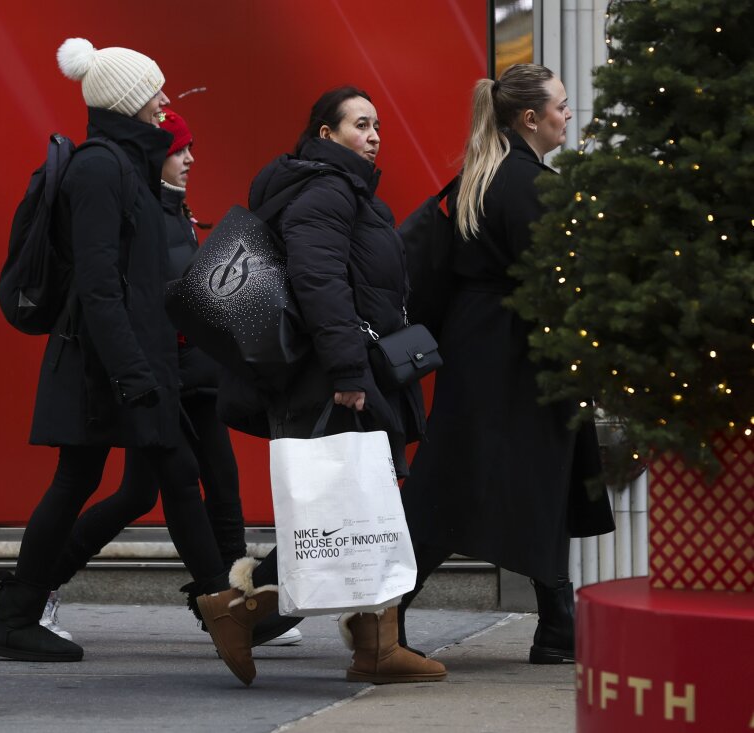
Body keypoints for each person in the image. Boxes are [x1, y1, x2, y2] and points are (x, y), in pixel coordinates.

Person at [0, 39, 230, 663]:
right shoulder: (100, 169)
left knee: (167, 477)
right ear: (127, 102)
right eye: (155, 93)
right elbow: (98, 286)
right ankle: (16, 618)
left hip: (132, 363)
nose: (165, 103)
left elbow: (139, 282)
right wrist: (133, 372)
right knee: (80, 479)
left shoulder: (130, 168)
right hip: (106, 366)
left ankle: (228, 614)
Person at [196, 87, 447, 686]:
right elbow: (319, 281)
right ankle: (239, 611)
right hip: (333, 375)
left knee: (368, 509)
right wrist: (347, 373)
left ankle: (375, 644)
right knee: (357, 510)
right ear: (327, 135)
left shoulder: (340, 190)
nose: (375, 134)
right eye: (361, 124)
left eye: (378, 124)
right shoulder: (327, 191)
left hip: (339, 368)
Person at [37, 109, 301, 647]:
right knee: (148, 489)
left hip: (197, 379)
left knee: (210, 487)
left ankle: (236, 605)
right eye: (180, 149)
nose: (190, 159)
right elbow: (136, 299)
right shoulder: (144, 211)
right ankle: (40, 584)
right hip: (165, 382)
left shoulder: (177, 211)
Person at [397, 64, 615, 664]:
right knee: (463, 484)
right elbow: (558, 282)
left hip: (487, 346)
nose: (568, 115)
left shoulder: (487, 173)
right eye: (562, 106)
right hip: (519, 352)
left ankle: (556, 621)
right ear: (530, 118)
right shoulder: (529, 185)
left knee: (525, 478)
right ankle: (385, 614)